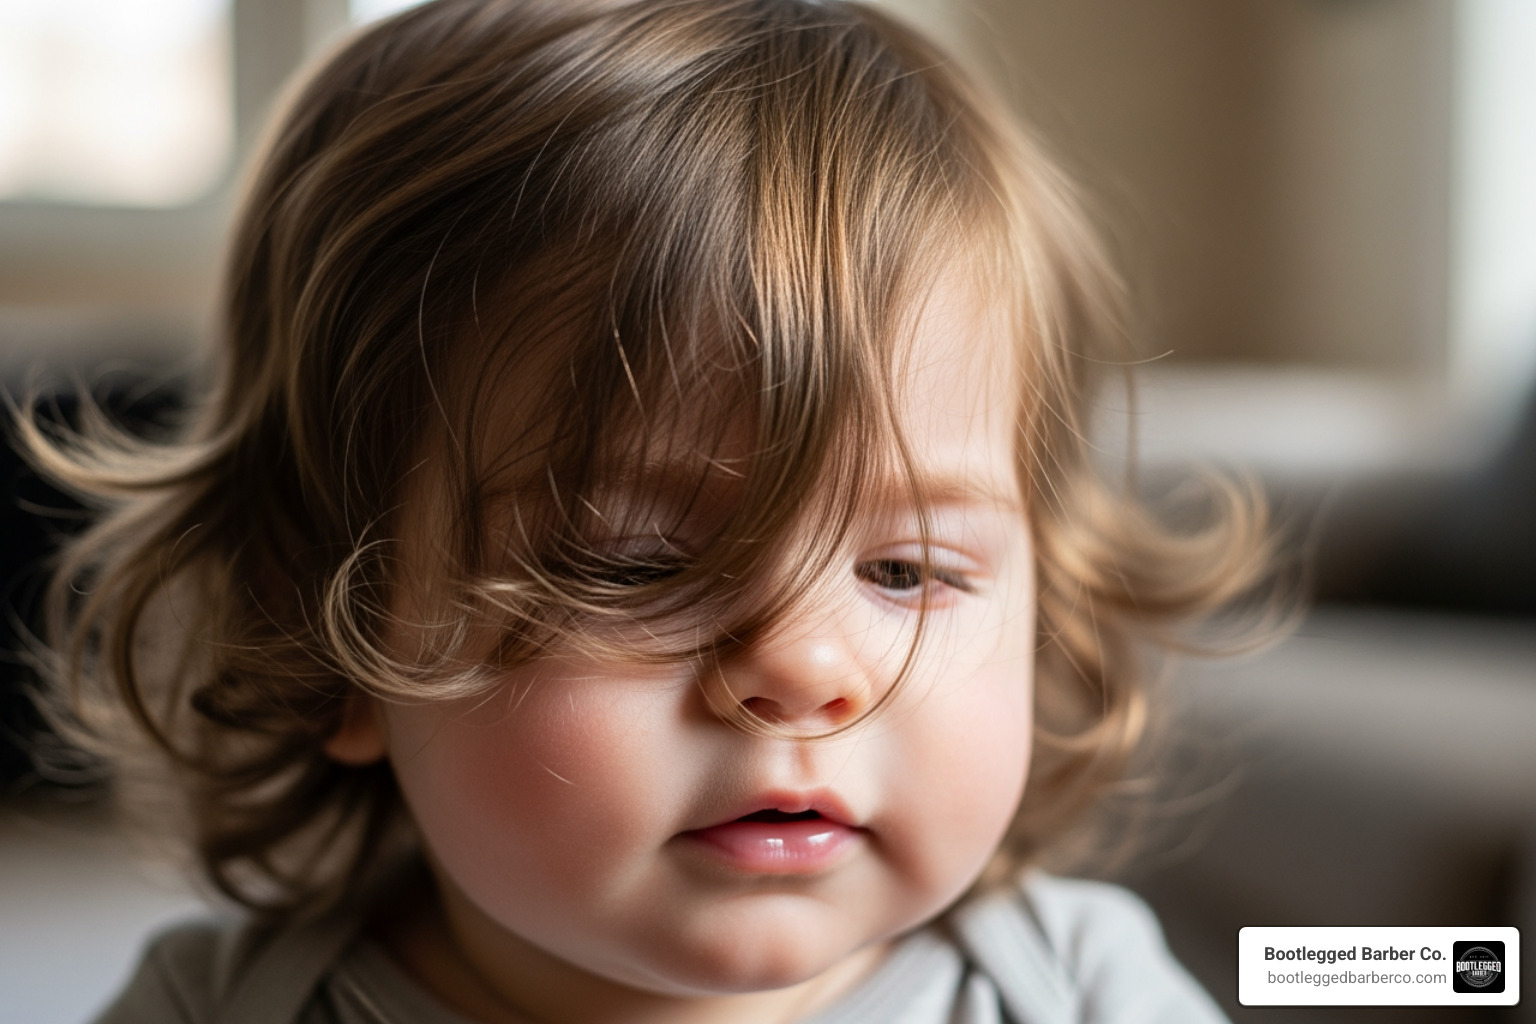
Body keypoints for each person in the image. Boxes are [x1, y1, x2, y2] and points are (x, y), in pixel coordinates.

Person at [20, 1, 1275, 1020]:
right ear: (324, 625)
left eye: (908, 569)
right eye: (631, 564)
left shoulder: (1075, 987)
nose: (804, 668)